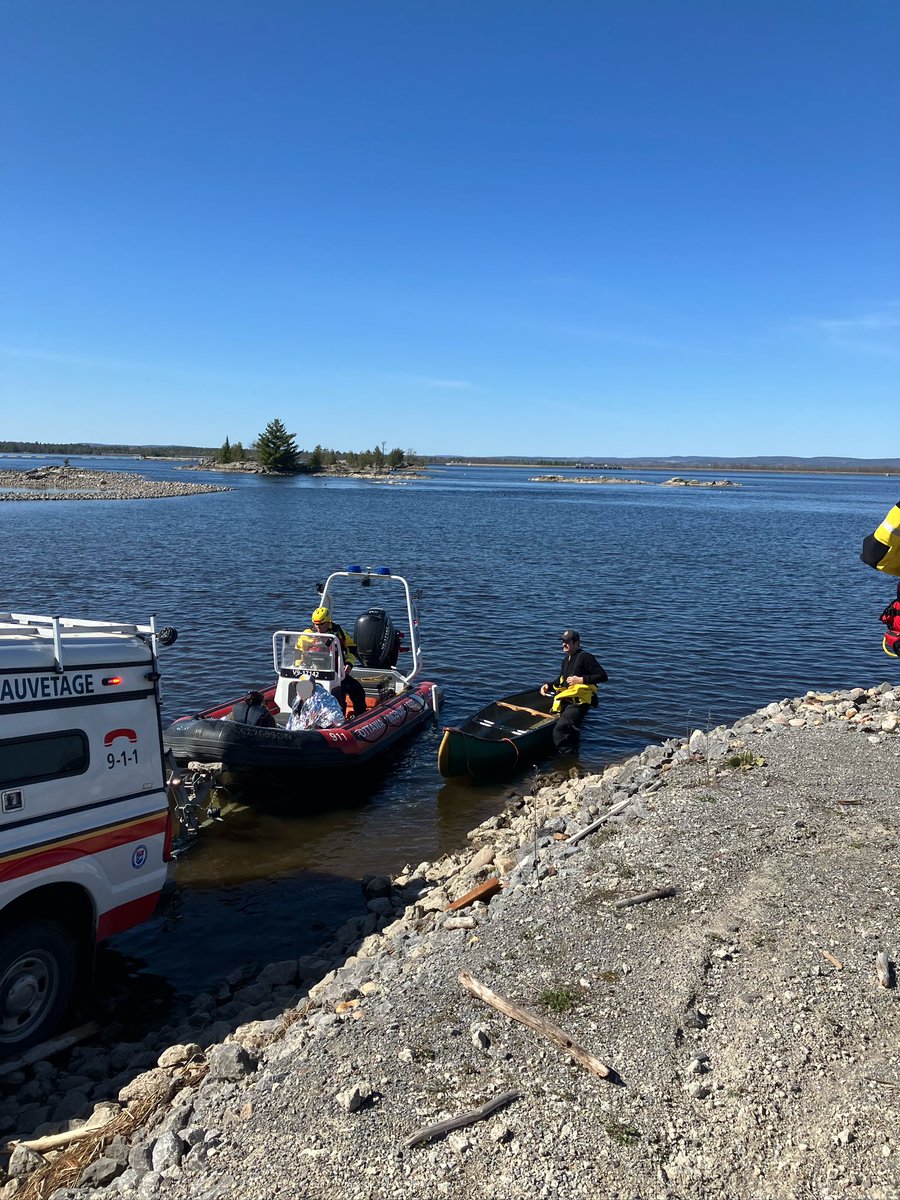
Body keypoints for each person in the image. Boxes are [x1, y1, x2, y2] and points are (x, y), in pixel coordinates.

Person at [540, 628, 608, 755]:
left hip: (579, 703)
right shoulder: (565, 660)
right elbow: (561, 680)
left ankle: (567, 759)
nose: (563, 644)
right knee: (571, 731)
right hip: (567, 700)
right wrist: (548, 685)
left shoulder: (585, 657)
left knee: (560, 729)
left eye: (567, 642)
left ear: (577, 643)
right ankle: (575, 760)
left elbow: (603, 676)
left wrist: (582, 679)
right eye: (562, 641)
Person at [297, 605, 367, 717]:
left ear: (328, 622)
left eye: (321, 624)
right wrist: (299, 669)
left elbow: (352, 647)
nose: (318, 627)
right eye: (316, 624)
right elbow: (297, 653)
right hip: (312, 673)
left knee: (357, 691)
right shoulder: (307, 635)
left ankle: (361, 717)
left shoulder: (338, 632)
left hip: (335, 673)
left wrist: (349, 664)